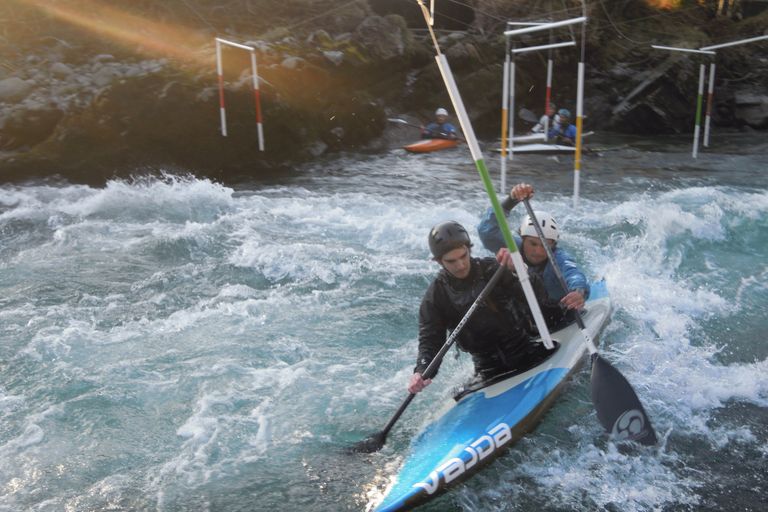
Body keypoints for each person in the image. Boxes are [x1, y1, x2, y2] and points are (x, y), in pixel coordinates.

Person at [408, 221, 559, 395]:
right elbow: (430, 341)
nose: (461, 265)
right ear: (438, 261)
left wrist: (518, 270)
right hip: (487, 370)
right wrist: (421, 371)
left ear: (469, 250)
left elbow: (537, 297)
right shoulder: (435, 298)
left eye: (463, 256)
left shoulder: (492, 269)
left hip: (527, 352)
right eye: (451, 261)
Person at [477, 183, 589, 322]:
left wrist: (579, 292)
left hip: (557, 314)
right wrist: (511, 201)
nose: (538, 251)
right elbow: (486, 230)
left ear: (553, 244)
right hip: (522, 314)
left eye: (545, 245)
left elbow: (575, 275)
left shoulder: (559, 259)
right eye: (533, 243)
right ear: (522, 239)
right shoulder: (513, 246)